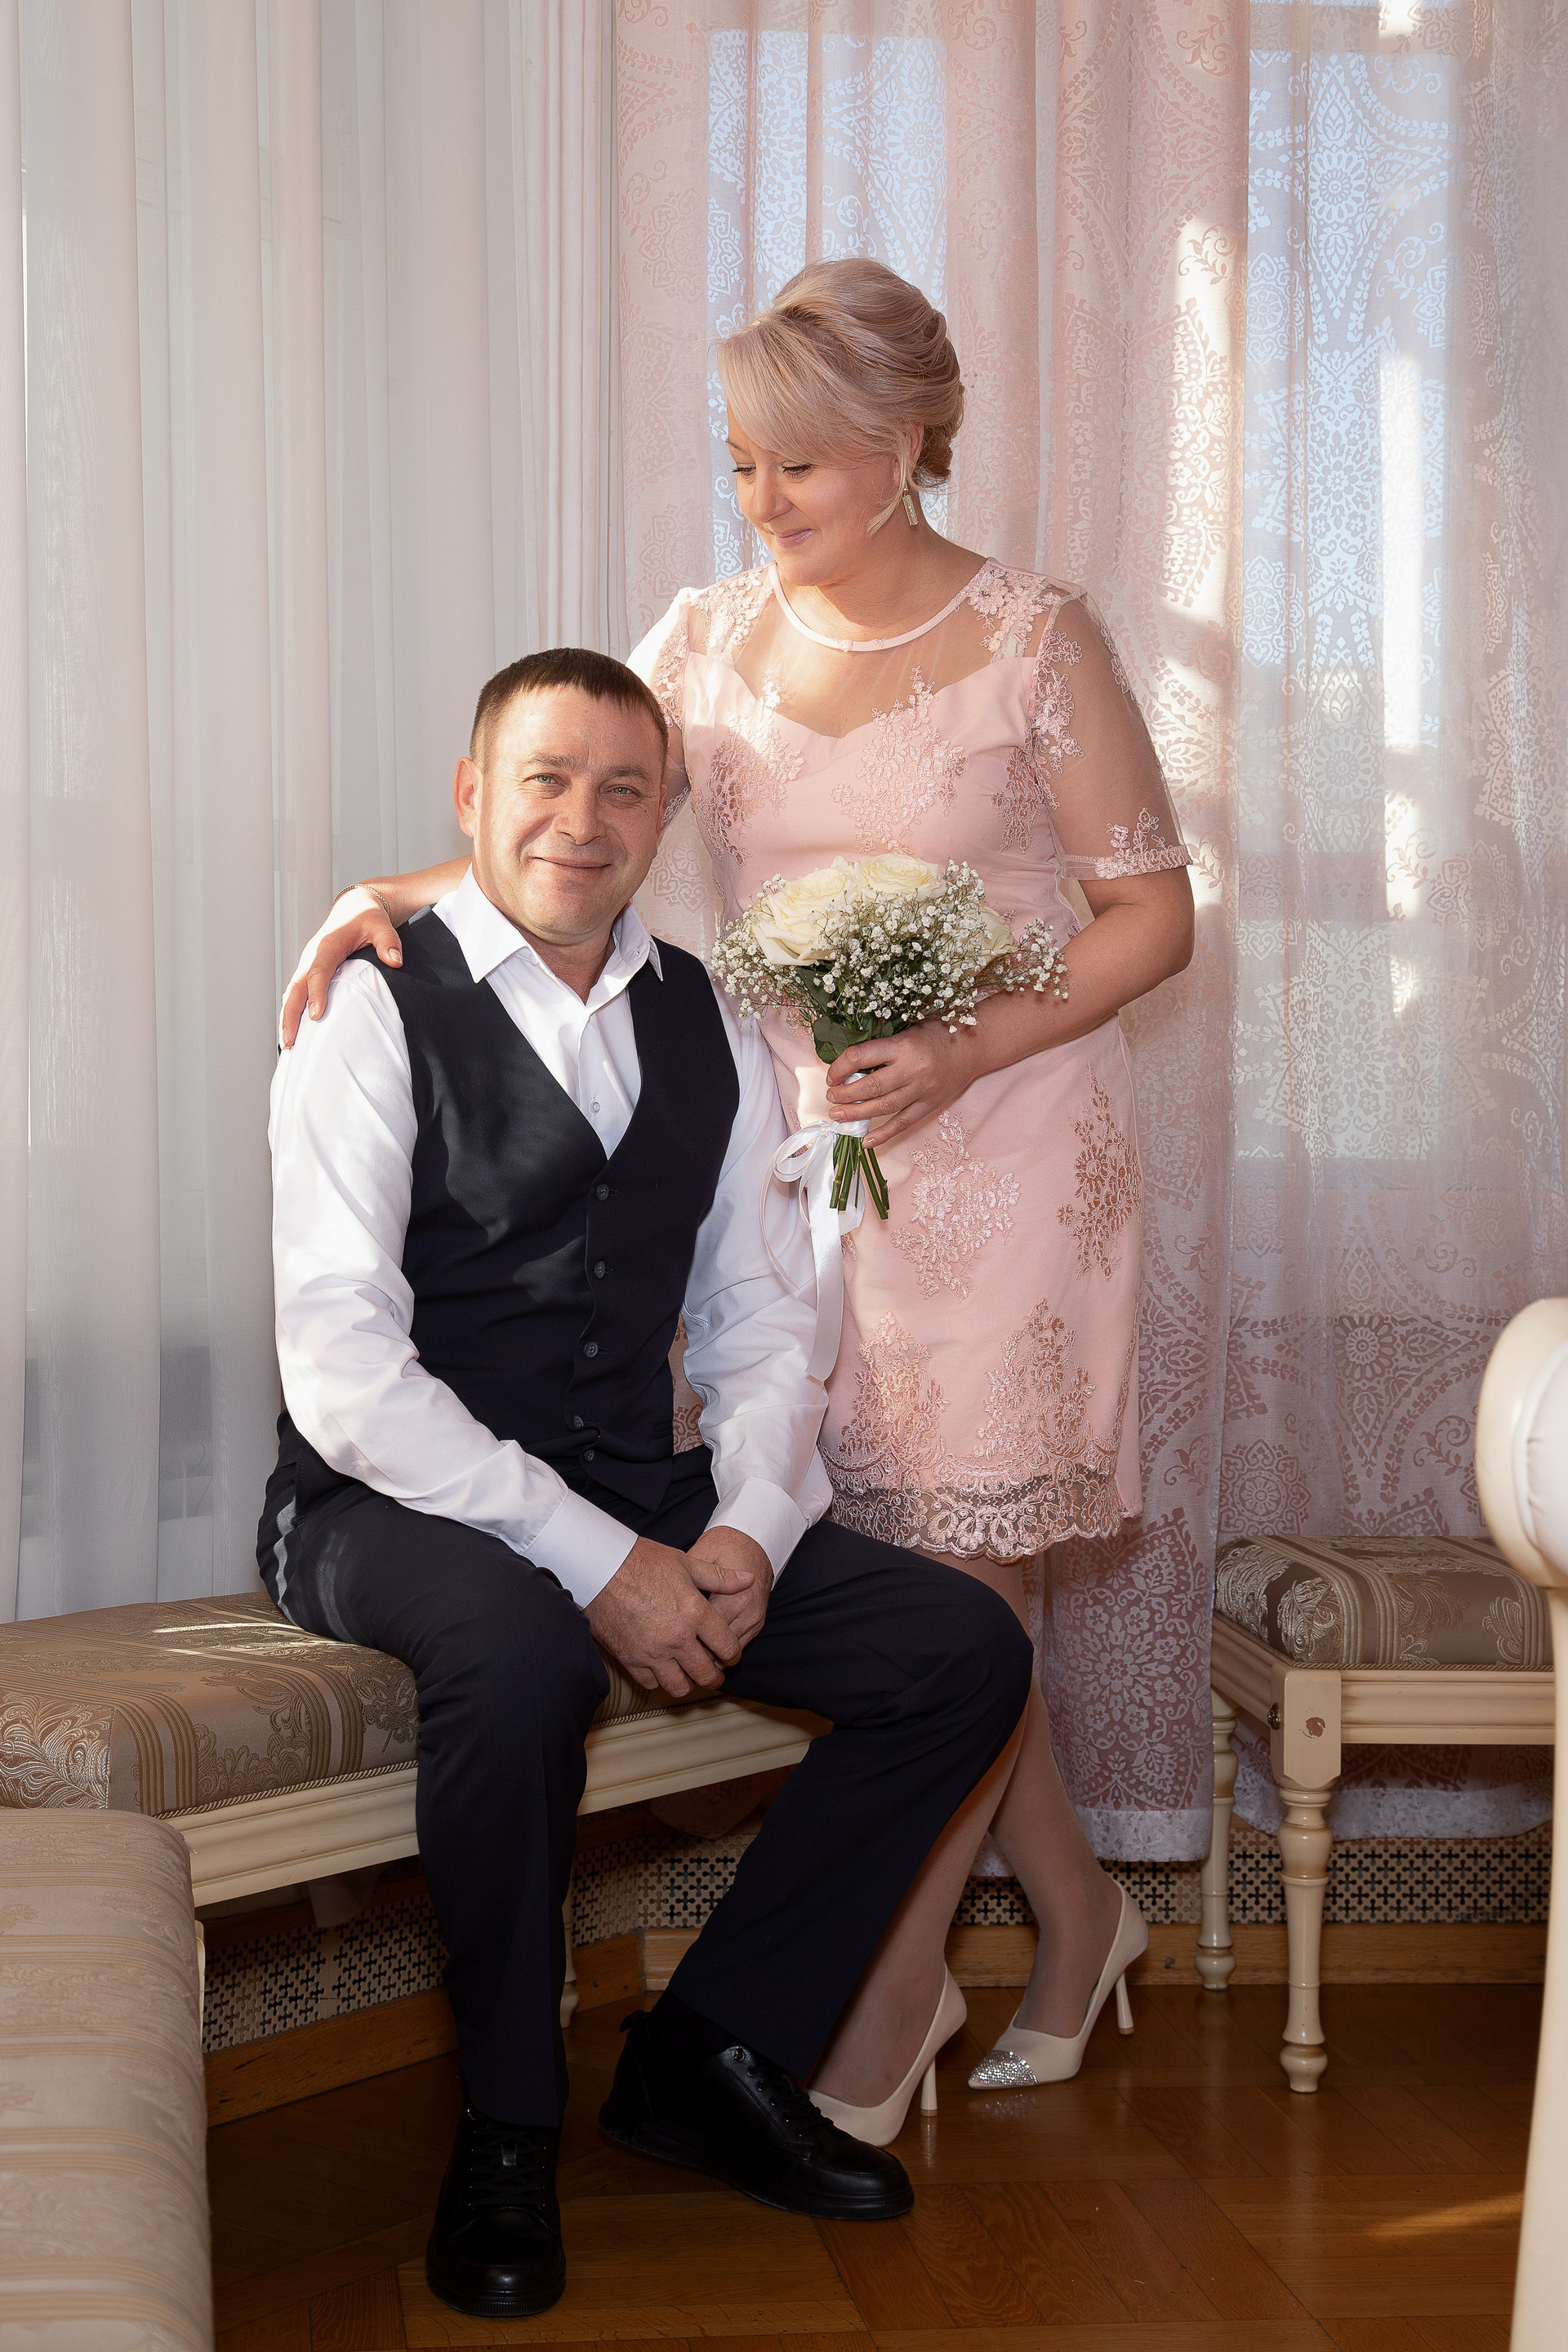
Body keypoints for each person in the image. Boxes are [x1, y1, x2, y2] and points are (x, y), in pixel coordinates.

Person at [282, 261, 1195, 2138]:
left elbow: (1154, 915)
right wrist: (381, 899)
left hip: (1008, 1153)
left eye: (800, 465)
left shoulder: (1036, 638)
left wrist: (964, 1048)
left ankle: (876, 2020)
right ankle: (1085, 1916)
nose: (763, 501)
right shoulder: (708, 640)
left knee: (972, 1567)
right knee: (928, 1599)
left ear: (907, 443)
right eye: (743, 464)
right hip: (792, 1169)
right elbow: (567, 818)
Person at [259, 644, 1032, 2323]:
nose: (582, 819)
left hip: (635, 1479)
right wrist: (600, 1561)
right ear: (472, 796)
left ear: (664, 816)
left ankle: (708, 2052)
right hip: (382, 1500)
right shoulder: (368, 1004)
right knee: (524, 1656)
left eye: (624, 788)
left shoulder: (712, 1017)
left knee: (959, 1650)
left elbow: (764, 1311)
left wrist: (746, 1524)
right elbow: (342, 1370)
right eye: (545, 779)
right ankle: (506, 2125)